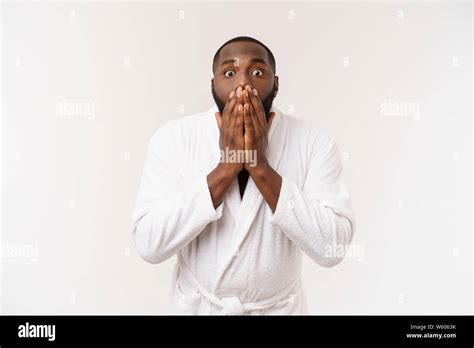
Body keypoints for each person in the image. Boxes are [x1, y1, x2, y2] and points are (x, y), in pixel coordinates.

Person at [132, 36, 355, 315]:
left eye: (258, 72)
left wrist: (260, 166)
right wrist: (227, 167)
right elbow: (149, 244)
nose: (243, 84)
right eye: (229, 73)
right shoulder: (173, 139)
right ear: (213, 84)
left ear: (276, 83)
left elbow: (332, 248)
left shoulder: (314, 142)